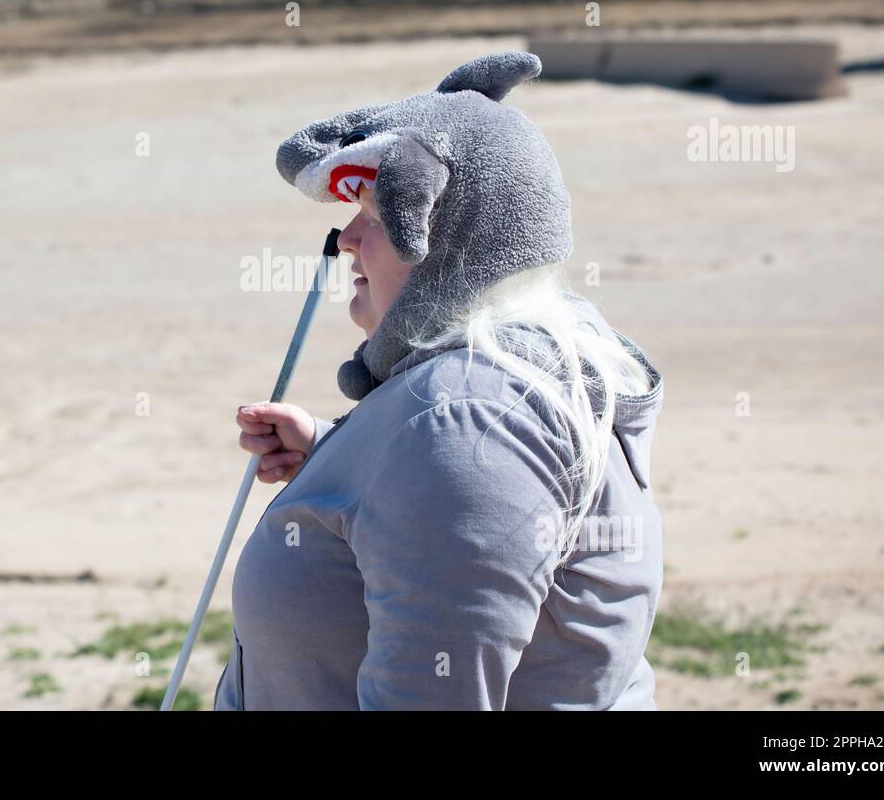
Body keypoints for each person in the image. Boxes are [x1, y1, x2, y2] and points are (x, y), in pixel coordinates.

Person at [213, 52, 665, 710]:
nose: (345, 240)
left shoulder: (470, 427)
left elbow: (467, 480)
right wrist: (341, 462)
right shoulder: (493, 397)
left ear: (445, 236)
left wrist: (423, 460)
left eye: (374, 211)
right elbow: (461, 521)